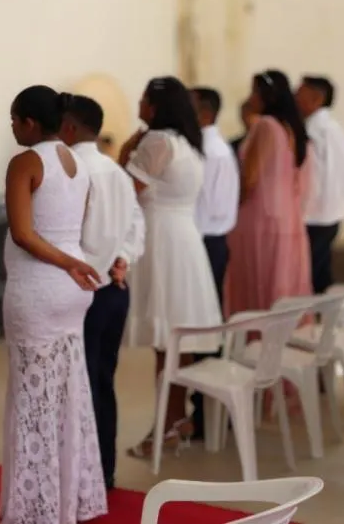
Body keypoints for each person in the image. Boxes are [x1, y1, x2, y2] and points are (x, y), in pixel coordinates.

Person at [0, 86, 106, 524]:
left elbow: (24, 234)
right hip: (70, 291)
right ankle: (69, 499)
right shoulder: (77, 161)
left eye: (13, 120)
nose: (11, 128)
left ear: (29, 122)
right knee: (68, 393)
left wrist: (68, 263)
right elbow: (68, 226)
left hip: (39, 288)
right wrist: (75, 264)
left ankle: (34, 509)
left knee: (32, 397)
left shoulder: (25, 162)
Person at [118, 76, 222, 458]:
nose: (139, 106)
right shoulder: (187, 145)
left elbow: (124, 191)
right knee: (177, 340)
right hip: (184, 241)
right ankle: (175, 419)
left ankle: (167, 426)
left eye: (144, 100)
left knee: (167, 342)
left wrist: (127, 149)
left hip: (162, 241)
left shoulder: (156, 141)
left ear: (157, 107)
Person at [60, 94, 145, 492]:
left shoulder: (71, 170)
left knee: (79, 384)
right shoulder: (117, 172)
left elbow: (66, 232)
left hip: (82, 288)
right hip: (114, 287)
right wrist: (123, 258)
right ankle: (104, 472)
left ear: (70, 127)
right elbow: (135, 226)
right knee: (102, 381)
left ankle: (81, 478)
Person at [225, 70, 312, 317]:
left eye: (254, 92)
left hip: (259, 217)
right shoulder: (293, 129)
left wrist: (233, 208)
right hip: (288, 216)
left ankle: (256, 345)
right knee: (282, 284)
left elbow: (250, 178)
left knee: (258, 284)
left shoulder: (265, 126)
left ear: (267, 96)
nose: (250, 98)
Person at [188, 86, 240, 440]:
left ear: (204, 112)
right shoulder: (214, 147)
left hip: (206, 243)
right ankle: (206, 414)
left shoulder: (209, 150)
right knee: (204, 327)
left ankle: (208, 416)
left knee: (205, 331)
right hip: (212, 241)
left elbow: (205, 208)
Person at [296, 75, 344, 294]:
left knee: (312, 272)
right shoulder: (331, 127)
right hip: (331, 211)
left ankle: (321, 318)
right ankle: (327, 318)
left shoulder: (315, 131)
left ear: (316, 98)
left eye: (299, 93)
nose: (294, 98)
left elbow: (316, 177)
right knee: (320, 268)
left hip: (317, 213)